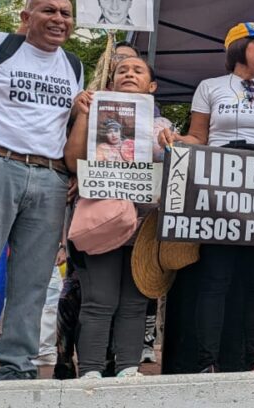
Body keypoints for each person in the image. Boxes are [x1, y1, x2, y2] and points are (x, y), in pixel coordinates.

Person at [158, 22, 254, 373]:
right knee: (216, 276)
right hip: (219, 186)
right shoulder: (209, 87)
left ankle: (249, 359)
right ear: (236, 48)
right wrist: (175, 139)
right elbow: (198, 136)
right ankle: (207, 360)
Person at [0, 0, 83, 380]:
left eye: (66, 12)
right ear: (28, 16)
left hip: (50, 178)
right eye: (49, 10)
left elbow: (71, 128)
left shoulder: (74, 66)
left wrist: (73, 171)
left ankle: (17, 368)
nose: (59, 18)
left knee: (33, 281)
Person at [64, 56, 171, 378]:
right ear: (111, 82)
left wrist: (173, 146)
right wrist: (83, 115)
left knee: (135, 302)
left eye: (138, 71)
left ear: (151, 86)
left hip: (143, 225)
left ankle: (127, 368)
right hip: (103, 222)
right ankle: (92, 371)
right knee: (99, 300)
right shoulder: (94, 112)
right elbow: (72, 161)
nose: (129, 74)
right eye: (122, 70)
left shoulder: (163, 126)